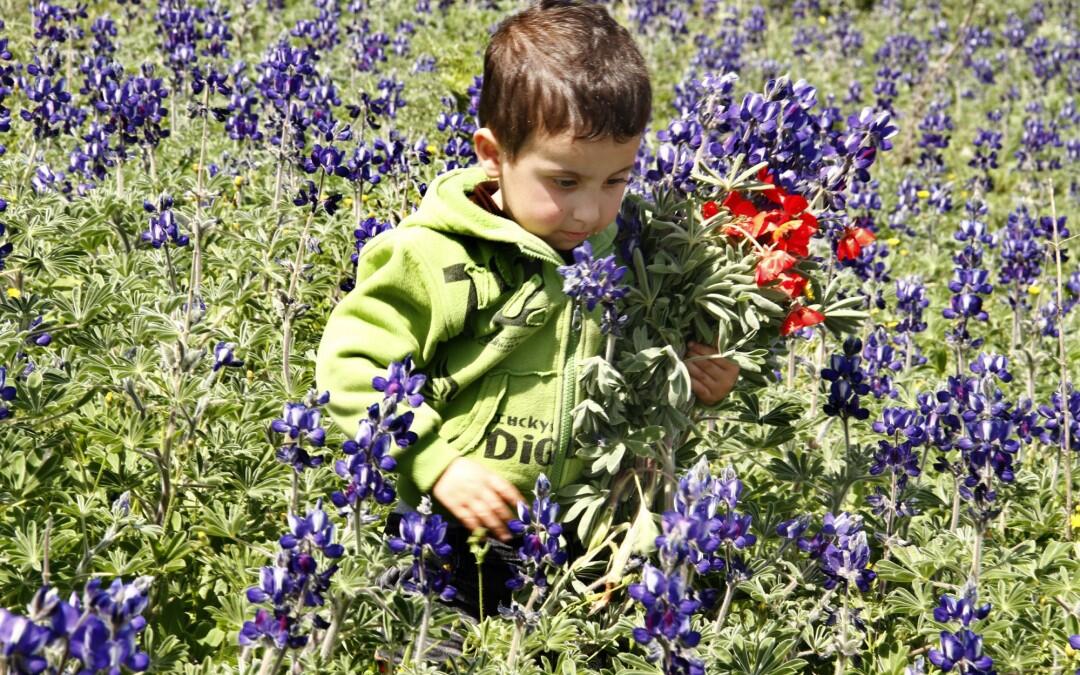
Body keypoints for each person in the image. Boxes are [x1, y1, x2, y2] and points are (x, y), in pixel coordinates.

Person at [315, 0, 739, 649]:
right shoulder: (438, 256)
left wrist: (692, 371)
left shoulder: (628, 251)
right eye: (564, 180)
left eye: (616, 180)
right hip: (455, 522)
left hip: (588, 522)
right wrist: (432, 459)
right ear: (493, 153)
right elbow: (351, 363)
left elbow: (639, 367)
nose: (590, 209)